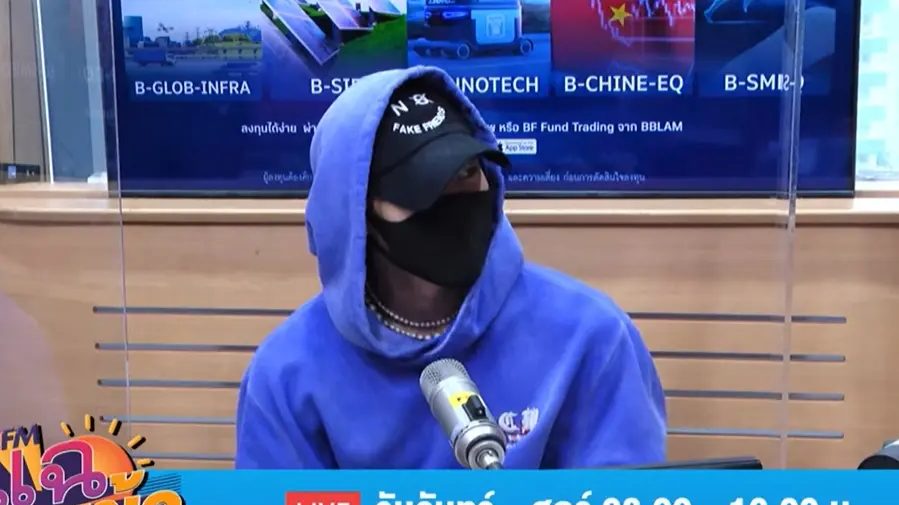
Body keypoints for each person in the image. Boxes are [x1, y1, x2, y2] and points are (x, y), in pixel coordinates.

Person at [235, 67, 666, 469]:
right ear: (357, 214)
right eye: (421, 187)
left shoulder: (591, 337)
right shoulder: (287, 373)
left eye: (466, 172)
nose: (453, 201)